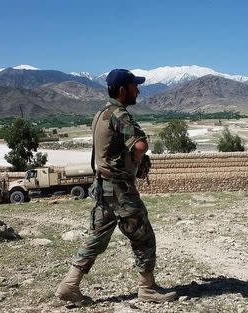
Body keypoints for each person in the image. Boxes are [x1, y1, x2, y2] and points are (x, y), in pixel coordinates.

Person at [55, 69, 177, 305]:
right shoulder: (120, 115)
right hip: (120, 190)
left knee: (96, 237)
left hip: (103, 187)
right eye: (134, 86)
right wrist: (137, 162)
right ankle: (147, 288)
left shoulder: (101, 112)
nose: (138, 90)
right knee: (143, 237)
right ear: (123, 90)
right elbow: (140, 145)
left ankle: (69, 285)